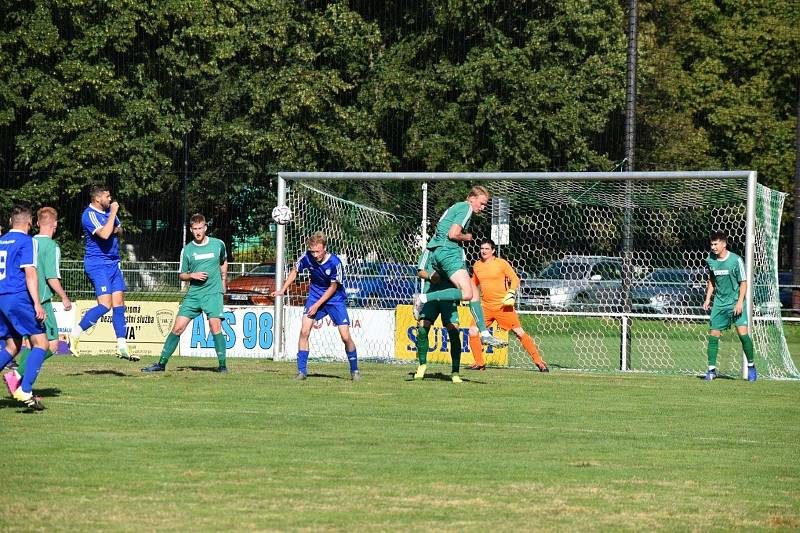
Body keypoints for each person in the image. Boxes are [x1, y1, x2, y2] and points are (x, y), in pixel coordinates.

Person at [412, 186, 506, 348]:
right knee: (468, 293)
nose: (483, 208)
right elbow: (453, 234)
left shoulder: (455, 207)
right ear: (472, 198)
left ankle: (484, 334)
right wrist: (467, 236)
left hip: (443, 251)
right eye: (482, 203)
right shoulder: (466, 208)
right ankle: (422, 298)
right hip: (449, 251)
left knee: (474, 291)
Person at [142, 214, 228, 373]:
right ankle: (161, 364)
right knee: (177, 328)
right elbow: (181, 274)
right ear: (190, 229)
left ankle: (222, 366)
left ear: (205, 227)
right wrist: (192, 276)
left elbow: (223, 262)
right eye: (195, 229)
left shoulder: (218, 245)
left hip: (213, 293)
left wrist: (223, 282)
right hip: (194, 294)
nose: (198, 232)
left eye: (200, 228)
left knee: (215, 326)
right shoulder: (187, 250)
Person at [3, 207, 74, 396]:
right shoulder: (45, 245)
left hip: (11, 299)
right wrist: (62, 297)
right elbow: (46, 276)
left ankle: (19, 379)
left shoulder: (15, 241)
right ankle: (19, 380)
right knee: (47, 344)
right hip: (38, 300)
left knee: (17, 345)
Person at [273, 232, 360, 381]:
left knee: (345, 337)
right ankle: (302, 371)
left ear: (325, 248)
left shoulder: (335, 263)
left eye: (317, 251)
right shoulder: (307, 257)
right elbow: (295, 270)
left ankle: (354, 370)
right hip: (314, 297)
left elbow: (333, 287)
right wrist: (283, 289)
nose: (314, 255)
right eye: (312, 251)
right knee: (304, 331)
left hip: (335, 300)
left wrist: (317, 305)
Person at [69, 184, 138, 360]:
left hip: (113, 264)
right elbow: (105, 235)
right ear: (97, 198)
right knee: (105, 305)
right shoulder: (89, 214)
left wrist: (114, 226)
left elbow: (119, 230)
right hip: (97, 264)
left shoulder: (108, 213)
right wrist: (113, 214)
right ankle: (75, 334)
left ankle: (122, 346)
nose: (111, 199)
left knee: (119, 304)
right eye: (108, 196)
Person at [467, 239, 549, 372]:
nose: (483, 251)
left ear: (493, 251)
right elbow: (473, 283)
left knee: (519, 332)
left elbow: (515, 279)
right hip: (485, 306)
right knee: (472, 330)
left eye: (487, 249)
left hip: (503, 306)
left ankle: (539, 361)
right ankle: (479, 363)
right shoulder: (477, 265)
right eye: (482, 248)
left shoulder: (501, 263)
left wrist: (511, 292)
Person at [0, 205, 48, 409]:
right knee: (41, 344)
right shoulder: (27, 241)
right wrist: (37, 303)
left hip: (1, 297)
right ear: (29, 223)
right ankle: (25, 390)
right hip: (17, 297)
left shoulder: (1, 241)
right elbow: (30, 273)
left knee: (13, 345)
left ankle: (24, 389)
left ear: (11, 221)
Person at [702, 231, 756, 381]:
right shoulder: (710, 260)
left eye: (716, 244)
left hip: (735, 303)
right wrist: (708, 299)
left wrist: (739, 302)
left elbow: (743, 283)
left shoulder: (735, 260)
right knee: (713, 336)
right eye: (711, 244)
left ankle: (751, 366)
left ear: (724, 244)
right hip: (719, 304)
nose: (713, 247)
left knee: (743, 335)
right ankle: (711, 370)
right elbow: (711, 280)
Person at [413, 249, 463, 383]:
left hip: (449, 296)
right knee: (423, 327)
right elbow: (420, 271)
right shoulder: (428, 251)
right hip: (431, 295)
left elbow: (462, 273)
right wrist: (431, 276)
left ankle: (455, 372)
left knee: (454, 331)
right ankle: (422, 365)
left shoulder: (457, 251)